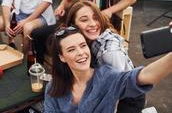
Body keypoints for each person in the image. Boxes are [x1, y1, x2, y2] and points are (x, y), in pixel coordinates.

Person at [44, 25, 172, 112]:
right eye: (71, 49)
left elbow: (145, 76)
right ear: (62, 57)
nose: (81, 53)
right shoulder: (53, 86)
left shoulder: (107, 77)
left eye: (83, 46)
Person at [65, 0, 145, 112]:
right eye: (84, 20)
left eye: (95, 18)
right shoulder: (87, 38)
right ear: (73, 25)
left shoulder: (110, 53)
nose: (92, 24)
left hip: (127, 98)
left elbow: (116, 91)